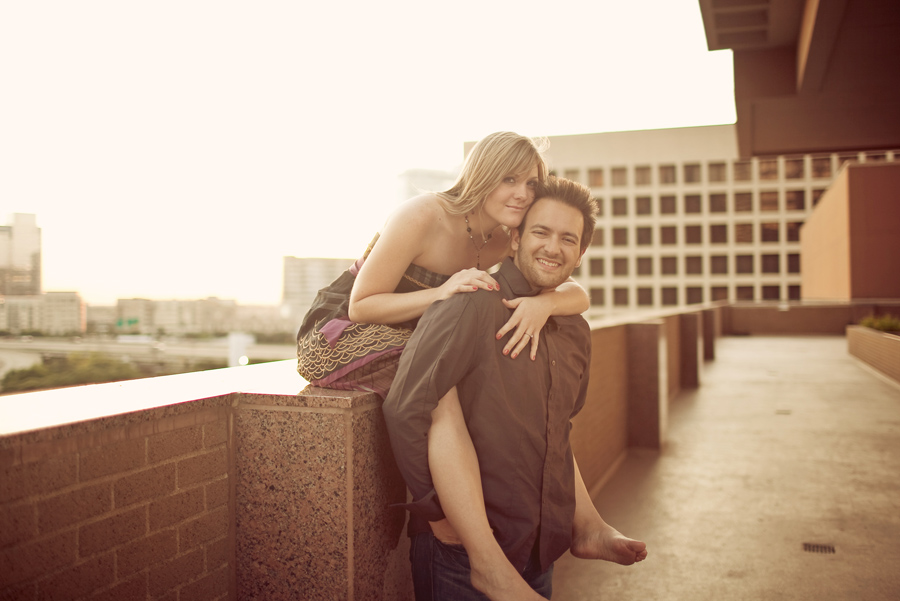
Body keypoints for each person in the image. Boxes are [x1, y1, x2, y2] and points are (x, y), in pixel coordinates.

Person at [382, 177, 648, 601]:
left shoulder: (573, 329)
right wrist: (436, 513)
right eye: (541, 232)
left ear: (580, 255)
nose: (552, 247)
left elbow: (557, 429)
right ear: (515, 238)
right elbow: (405, 408)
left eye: (568, 239)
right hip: (462, 557)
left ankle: (589, 527)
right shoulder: (470, 303)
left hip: (539, 549)